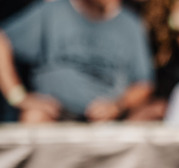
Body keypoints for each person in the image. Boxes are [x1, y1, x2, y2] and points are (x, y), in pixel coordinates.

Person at [0, 0, 156, 122]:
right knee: (34, 117)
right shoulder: (54, 12)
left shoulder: (131, 25)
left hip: (109, 123)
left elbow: (143, 85)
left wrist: (116, 106)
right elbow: (2, 42)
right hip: (55, 116)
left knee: (152, 114)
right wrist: (18, 97)